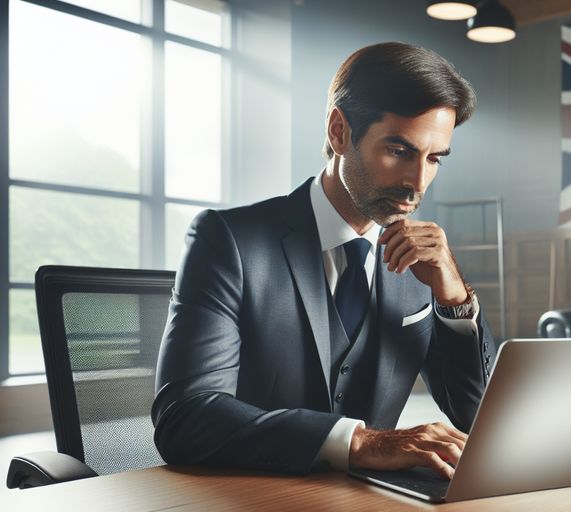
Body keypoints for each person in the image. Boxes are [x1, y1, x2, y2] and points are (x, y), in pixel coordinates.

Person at [151, 42, 496, 480]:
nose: (417, 183)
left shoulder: (423, 267)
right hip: (253, 499)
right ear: (338, 131)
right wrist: (360, 441)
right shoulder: (229, 242)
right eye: (400, 151)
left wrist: (454, 297)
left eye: (434, 159)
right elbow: (186, 417)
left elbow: (481, 418)